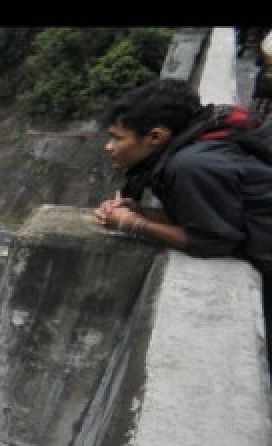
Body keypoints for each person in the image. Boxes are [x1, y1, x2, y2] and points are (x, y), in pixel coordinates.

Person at [93, 78, 272, 344]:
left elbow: (215, 241)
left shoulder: (190, 166)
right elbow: (204, 213)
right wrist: (141, 211)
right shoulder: (200, 137)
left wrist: (133, 225)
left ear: (156, 136)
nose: (109, 147)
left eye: (117, 138)